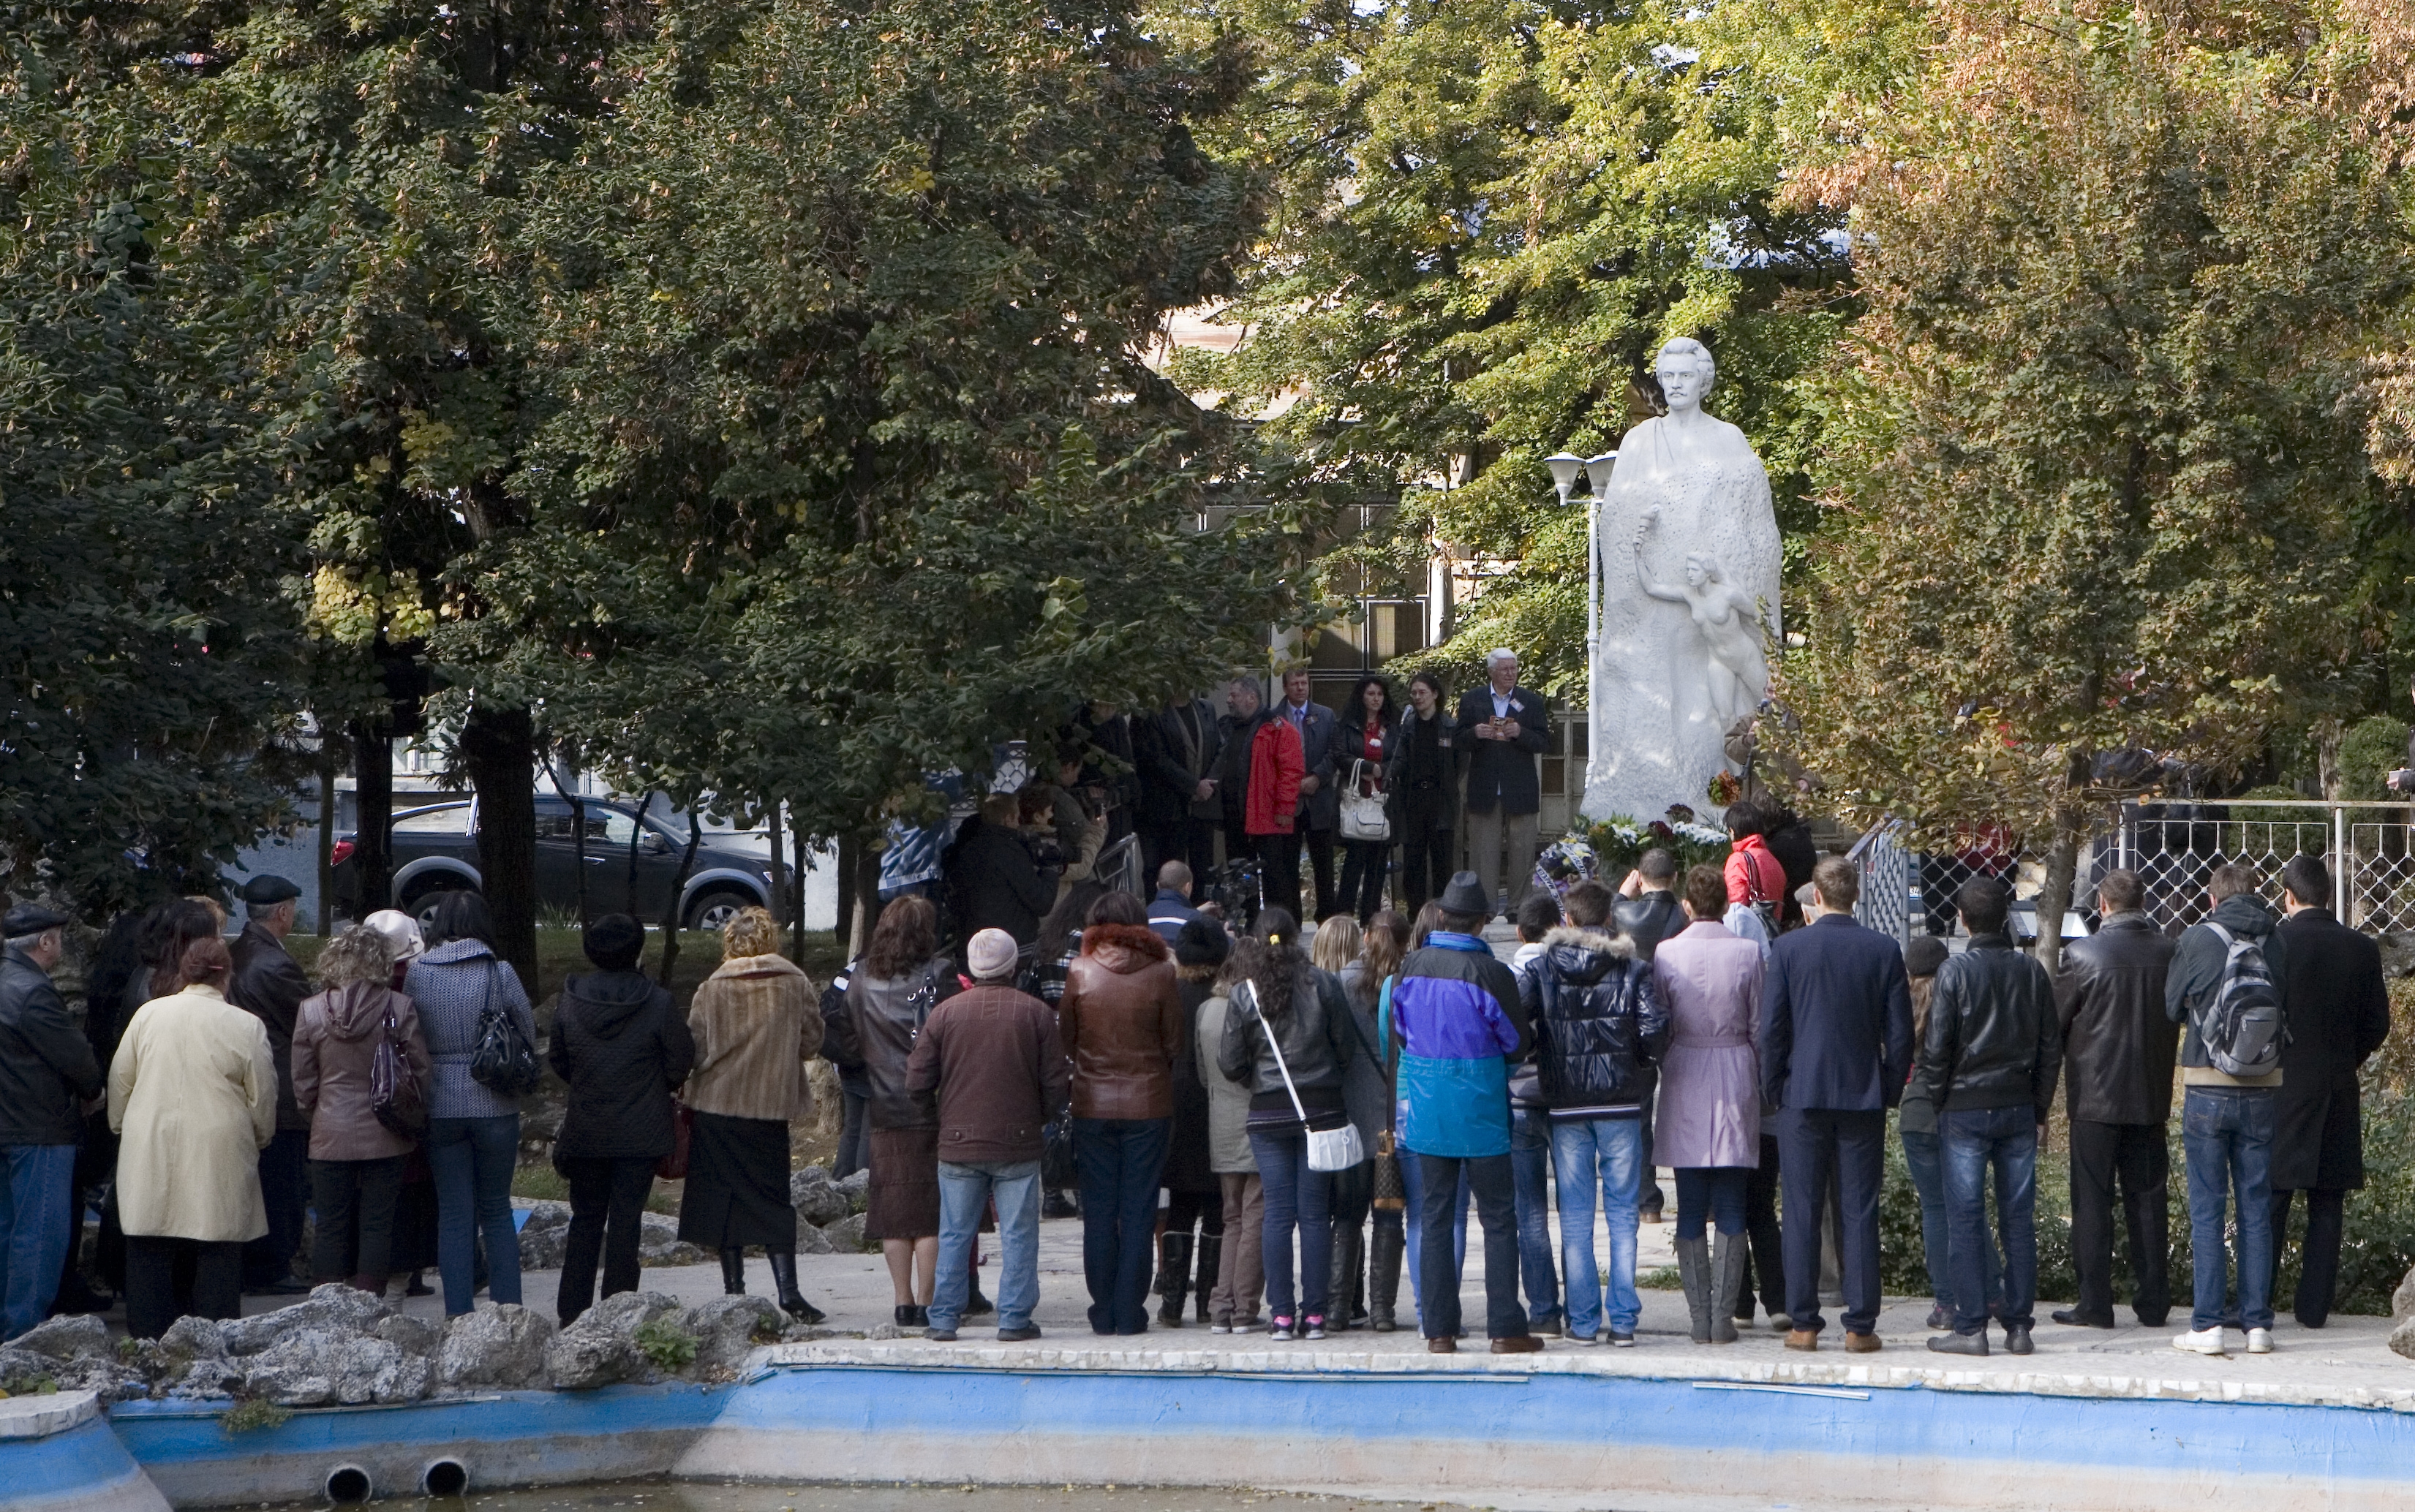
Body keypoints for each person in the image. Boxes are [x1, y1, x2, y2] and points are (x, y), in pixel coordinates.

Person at [1760, 857, 1912, 1353]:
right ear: (1855, 897)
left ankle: (1803, 1322)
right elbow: (1900, 1035)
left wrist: (1773, 1088)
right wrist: (1887, 1088)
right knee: (1859, 1210)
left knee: (1801, 1208)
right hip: (1861, 1093)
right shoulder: (1883, 950)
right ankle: (1860, 1324)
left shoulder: (1787, 949)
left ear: (1816, 899)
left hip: (1801, 1096)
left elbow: (1772, 1030)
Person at [1390, 871, 1537, 1353]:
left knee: (1433, 1216)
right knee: (1497, 1218)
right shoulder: (1491, 973)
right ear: (1481, 922)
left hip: (1429, 1110)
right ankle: (1505, 1328)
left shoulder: (1411, 965)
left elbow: (1400, 1032)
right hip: (1482, 1110)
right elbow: (1517, 1044)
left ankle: (1438, 1331)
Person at [1918, 880, 2059, 1358]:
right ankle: (2018, 1326)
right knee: (2018, 1220)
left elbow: (1937, 1048)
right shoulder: (2031, 972)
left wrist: (1938, 1100)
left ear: (1961, 917)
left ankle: (1971, 1326)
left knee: (1965, 1219)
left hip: (1965, 1107)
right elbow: (2049, 1048)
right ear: (2004, 918)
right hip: (2017, 1104)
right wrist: (2038, 1108)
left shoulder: (1955, 972)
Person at [110, 937, 276, 1338]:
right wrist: (259, 1136)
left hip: (150, 1138)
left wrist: (122, 1126)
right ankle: (214, 1345)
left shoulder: (148, 1015)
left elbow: (120, 1080)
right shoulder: (245, 1025)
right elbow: (263, 1095)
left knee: (148, 1242)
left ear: (184, 971)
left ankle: (146, 1344)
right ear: (227, 976)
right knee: (218, 1247)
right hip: (218, 1144)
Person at [1523, 880, 1665, 1346]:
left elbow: (1515, 1019)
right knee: (1624, 1214)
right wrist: (1639, 1065)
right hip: (1621, 1101)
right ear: (1610, 918)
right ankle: (1623, 1321)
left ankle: (1583, 1322)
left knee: (1576, 1218)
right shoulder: (1634, 968)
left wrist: (1543, 1053)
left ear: (1567, 918)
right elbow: (1655, 1029)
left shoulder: (1544, 966)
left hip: (1565, 1104)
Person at [909, 929, 1066, 1342]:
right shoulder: (1035, 1013)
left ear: (972, 967)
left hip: (958, 1141)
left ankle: (943, 1318)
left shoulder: (945, 1013)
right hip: (1018, 1140)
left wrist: (939, 1117)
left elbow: (916, 1080)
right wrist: (1039, 1118)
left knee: (955, 1233)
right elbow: (1055, 1083)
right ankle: (1014, 1319)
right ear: (1013, 965)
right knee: (1019, 1233)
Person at [2166, 863, 2289, 1357]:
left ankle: (2208, 1326)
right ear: (2255, 896)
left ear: (2212, 899)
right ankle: (2258, 1325)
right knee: (2256, 1206)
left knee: (2207, 1208)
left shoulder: (2197, 939)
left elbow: (2171, 1006)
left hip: (2206, 1086)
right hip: (2263, 1087)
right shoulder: (2277, 941)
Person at [548, 914, 695, 1327]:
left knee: (585, 1218)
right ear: (636, 952)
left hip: (587, 1127)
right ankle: (619, 1310)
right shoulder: (658, 1002)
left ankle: (571, 1313)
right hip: (641, 1130)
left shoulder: (571, 999)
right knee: (628, 1220)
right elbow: (680, 1060)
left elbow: (559, 1059)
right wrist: (650, 1086)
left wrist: (590, 1082)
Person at [679, 906, 824, 1324]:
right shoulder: (794, 983)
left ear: (730, 943)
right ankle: (790, 1293)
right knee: (774, 1197)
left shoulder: (710, 989)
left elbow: (697, 1049)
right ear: (770, 939)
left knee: (723, 1198)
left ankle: (734, 1291)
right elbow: (812, 1041)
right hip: (769, 1106)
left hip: (716, 1106)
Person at [2051, 868, 2177, 1331]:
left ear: (2103, 905)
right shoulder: (2168, 951)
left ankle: (2095, 1303)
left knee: (2092, 1202)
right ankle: (2154, 1301)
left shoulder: (2082, 954)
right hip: (2149, 1096)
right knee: (2148, 1200)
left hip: (2095, 1099)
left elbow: (2055, 1024)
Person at [1218, 908, 1353, 1339]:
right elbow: (1345, 1048)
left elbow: (1230, 1061)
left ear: (1256, 942)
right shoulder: (1323, 983)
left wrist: (1258, 1081)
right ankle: (1315, 1316)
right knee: (1314, 1215)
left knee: (1276, 1214)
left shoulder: (1244, 993)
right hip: (1321, 1110)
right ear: (1296, 939)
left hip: (1269, 1113)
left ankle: (1280, 1316)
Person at [2268, 855, 2389, 1330]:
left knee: (2271, 1197)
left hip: (2280, 1086)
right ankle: (2313, 1308)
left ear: (2287, 896)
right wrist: (2346, 1058)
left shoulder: (2273, 942)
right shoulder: (2361, 948)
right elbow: (2377, 1023)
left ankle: (2257, 1303)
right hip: (2339, 1085)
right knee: (2327, 1203)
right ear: (2329, 896)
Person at [404, 892, 539, 1317]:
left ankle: (457, 1317)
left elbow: (410, 1037)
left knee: (454, 1215)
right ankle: (510, 1314)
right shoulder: (499, 972)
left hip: (441, 1103)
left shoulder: (417, 973)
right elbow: (528, 1035)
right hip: (495, 1102)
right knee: (497, 1210)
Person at [1061, 891, 1185, 1334]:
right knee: (1139, 1208)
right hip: (1148, 1102)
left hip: (1093, 1103)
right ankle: (1130, 1310)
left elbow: (1067, 1038)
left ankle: (1102, 1309)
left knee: (1098, 1209)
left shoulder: (1080, 971)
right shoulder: (1161, 974)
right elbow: (1174, 1043)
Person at [1651, 866, 1766, 1345]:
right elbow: (1760, 1022)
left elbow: (1659, 1017)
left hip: (1686, 1068)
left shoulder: (1665, 952)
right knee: (1733, 1202)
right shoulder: (1748, 951)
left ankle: (1700, 1318)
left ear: (1687, 906)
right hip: (1735, 1064)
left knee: (1691, 1203)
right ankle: (1722, 1317)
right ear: (1725, 903)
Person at [292, 924, 430, 1296]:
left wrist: (316, 1116)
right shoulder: (398, 1007)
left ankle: (326, 1303)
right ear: (380, 961)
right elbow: (419, 1071)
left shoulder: (310, 1011)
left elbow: (303, 1084)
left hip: (329, 1132)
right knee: (377, 1224)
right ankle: (370, 1299)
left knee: (331, 1225)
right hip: (385, 1133)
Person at [836, 896, 953, 1328]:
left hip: (884, 1106)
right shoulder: (939, 974)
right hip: (934, 1106)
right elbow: (952, 1037)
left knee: (894, 1215)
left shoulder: (861, 976)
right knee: (929, 1214)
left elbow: (840, 1033)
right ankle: (927, 1302)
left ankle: (902, 1303)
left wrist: (867, 1059)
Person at [0, 904, 102, 1339]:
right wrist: (94, 1092)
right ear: (46, 942)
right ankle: (24, 1331)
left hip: (10, 1122)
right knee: (39, 1235)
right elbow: (75, 1057)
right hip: (38, 1127)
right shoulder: (32, 992)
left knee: (7, 1230)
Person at [1900, 935, 2003, 1331]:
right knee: (1967, 1205)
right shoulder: (1959, 998)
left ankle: (1945, 1302)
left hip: (1916, 1111)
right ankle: (1993, 1291)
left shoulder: (1903, 1002)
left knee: (1935, 1208)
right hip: (1958, 1109)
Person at [229, 874, 314, 1296]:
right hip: (280, 1091)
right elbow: (308, 1022)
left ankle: (257, 1263)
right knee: (283, 1184)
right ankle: (272, 1266)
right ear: (282, 913)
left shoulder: (237, 951)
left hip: (246, 1085)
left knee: (260, 1180)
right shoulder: (275, 963)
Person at [1190, 922, 1264, 1332]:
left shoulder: (1207, 1010)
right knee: (1256, 1218)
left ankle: (1221, 1307)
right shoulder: (1257, 1008)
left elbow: (1204, 1075)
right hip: (1257, 1122)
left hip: (1220, 1122)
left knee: (1231, 1217)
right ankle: (1244, 1309)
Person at [1158, 910, 1229, 1327]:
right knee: (1218, 1208)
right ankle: (1207, 1301)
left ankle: (1170, 1305)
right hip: (1217, 1108)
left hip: (1175, 1108)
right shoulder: (1226, 999)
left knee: (1181, 1207)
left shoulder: (1170, 993)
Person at [363, 909, 440, 1298]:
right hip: (408, 1100)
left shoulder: (354, 985)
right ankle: (408, 1272)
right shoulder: (420, 981)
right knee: (414, 1192)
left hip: (365, 1102)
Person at [1346, 910, 1413, 1331]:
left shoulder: (1340, 984)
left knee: (1347, 1213)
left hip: (1352, 1114)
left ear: (1366, 937)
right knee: (1389, 1213)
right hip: (1394, 1114)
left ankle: (1339, 1307)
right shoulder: (1408, 984)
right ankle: (1383, 1311)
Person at [1507, 891, 1567, 1337]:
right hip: (1567, 1100)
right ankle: (1583, 1309)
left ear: (1518, 932)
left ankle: (1544, 1310)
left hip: (1520, 1099)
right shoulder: (1571, 970)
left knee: (1529, 1211)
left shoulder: (1505, 975)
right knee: (1576, 1211)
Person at [1315, 917, 1380, 1328]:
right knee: (1369, 1211)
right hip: (1374, 1113)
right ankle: (1365, 1304)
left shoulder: (1318, 989)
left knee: (1337, 1212)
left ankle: (1339, 1301)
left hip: (1330, 1115)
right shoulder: (1373, 984)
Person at [1615, 850, 1686, 1222]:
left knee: (1641, 1112)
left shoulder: (1622, 913)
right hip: (1680, 1015)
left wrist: (1623, 894)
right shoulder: (1686, 915)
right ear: (1675, 877)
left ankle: (1647, 1201)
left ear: (1640, 878)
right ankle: (1699, 1197)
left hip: (1635, 1019)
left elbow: (1609, 912)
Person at [1455, 651, 1550, 916]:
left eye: (1514, 668)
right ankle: (1483, 908)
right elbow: (1458, 740)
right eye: (1505, 669)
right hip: (1484, 788)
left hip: (1520, 789)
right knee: (1483, 853)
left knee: (1522, 852)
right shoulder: (1472, 700)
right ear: (1491, 672)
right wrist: (1475, 733)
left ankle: (1517, 908)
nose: (1511, 673)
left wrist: (1521, 733)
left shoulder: (1530, 701)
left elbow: (1544, 742)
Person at [1219, 676, 1307, 926]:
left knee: (1275, 878)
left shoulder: (1277, 728)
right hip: (1235, 816)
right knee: (1240, 875)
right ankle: (1247, 925)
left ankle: (1277, 928)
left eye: (1233, 694)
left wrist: (1284, 809)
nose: (1228, 700)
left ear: (1251, 697)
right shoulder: (1228, 727)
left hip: (1268, 816)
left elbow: (1291, 772)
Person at [943, 795, 1059, 953]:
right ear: (1008, 819)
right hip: (1012, 946)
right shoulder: (1009, 850)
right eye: (1017, 818)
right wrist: (1050, 869)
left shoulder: (965, 849)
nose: (1019, 824)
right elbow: (1041, 901)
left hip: (973, 947)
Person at [1384, 672, 1458, 916]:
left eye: (1422, 692)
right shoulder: (1407, 727)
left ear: (1435, 694)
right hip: (1413, 800)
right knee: (1413, 860)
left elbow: (1460, 764)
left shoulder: (1449, 727)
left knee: (1442, 862)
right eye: (1414, 693)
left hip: (1440, 801)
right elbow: (1398, 760)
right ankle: (1415, 914)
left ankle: (1441, 914)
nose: (1417, 697)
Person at [1276, 668, 1344, 921]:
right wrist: (1293, 784)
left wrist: (1317, 776)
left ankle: (1327, 918)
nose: (1301, 688)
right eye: (1295, 684)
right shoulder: (1274, 718)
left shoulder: (1325, 715)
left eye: (1304, 683)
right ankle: (1291, 919)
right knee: (1288, 865)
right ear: (1285, 687)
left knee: (1323, 865)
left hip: (1319, 801)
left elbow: (1335, 751)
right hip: (1288, 803)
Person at [1135, 693, 1225, 885]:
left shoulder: (1206, 708)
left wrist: (1208, 785)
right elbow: (1158, 759)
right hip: (1169, 811)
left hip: (1202, 810)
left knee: (1203, 874)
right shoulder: (1152, 713)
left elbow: (1221, 747)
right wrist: (1194, 786)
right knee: (1169, 874)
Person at [1335, 676, 1398, 924]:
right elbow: (1339, 754)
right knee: (1355, 859)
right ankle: (1344, 915)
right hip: (1357, 798)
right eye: (1371, 694)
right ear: (1362, 696)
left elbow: (1400, 758)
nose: (1375, 699)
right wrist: (1366, 766)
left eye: (1380, 695)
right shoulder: (1348, 724)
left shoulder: (1393, 726)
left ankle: (1370, 916)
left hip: (1383, 799)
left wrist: (1385, 770)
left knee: (1378, 861)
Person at [1722, 801, 1785, 923]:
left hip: (1747, 931)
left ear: (1733, 831)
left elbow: (1736, 906)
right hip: (1772, 930)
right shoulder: (1771, 858)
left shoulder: (1738, 860)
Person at [1147, 861, 1213, 945]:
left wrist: (1196, 911)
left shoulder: (1144, 916)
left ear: (1157, 885)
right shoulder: (1195, 922)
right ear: (1187, 887)